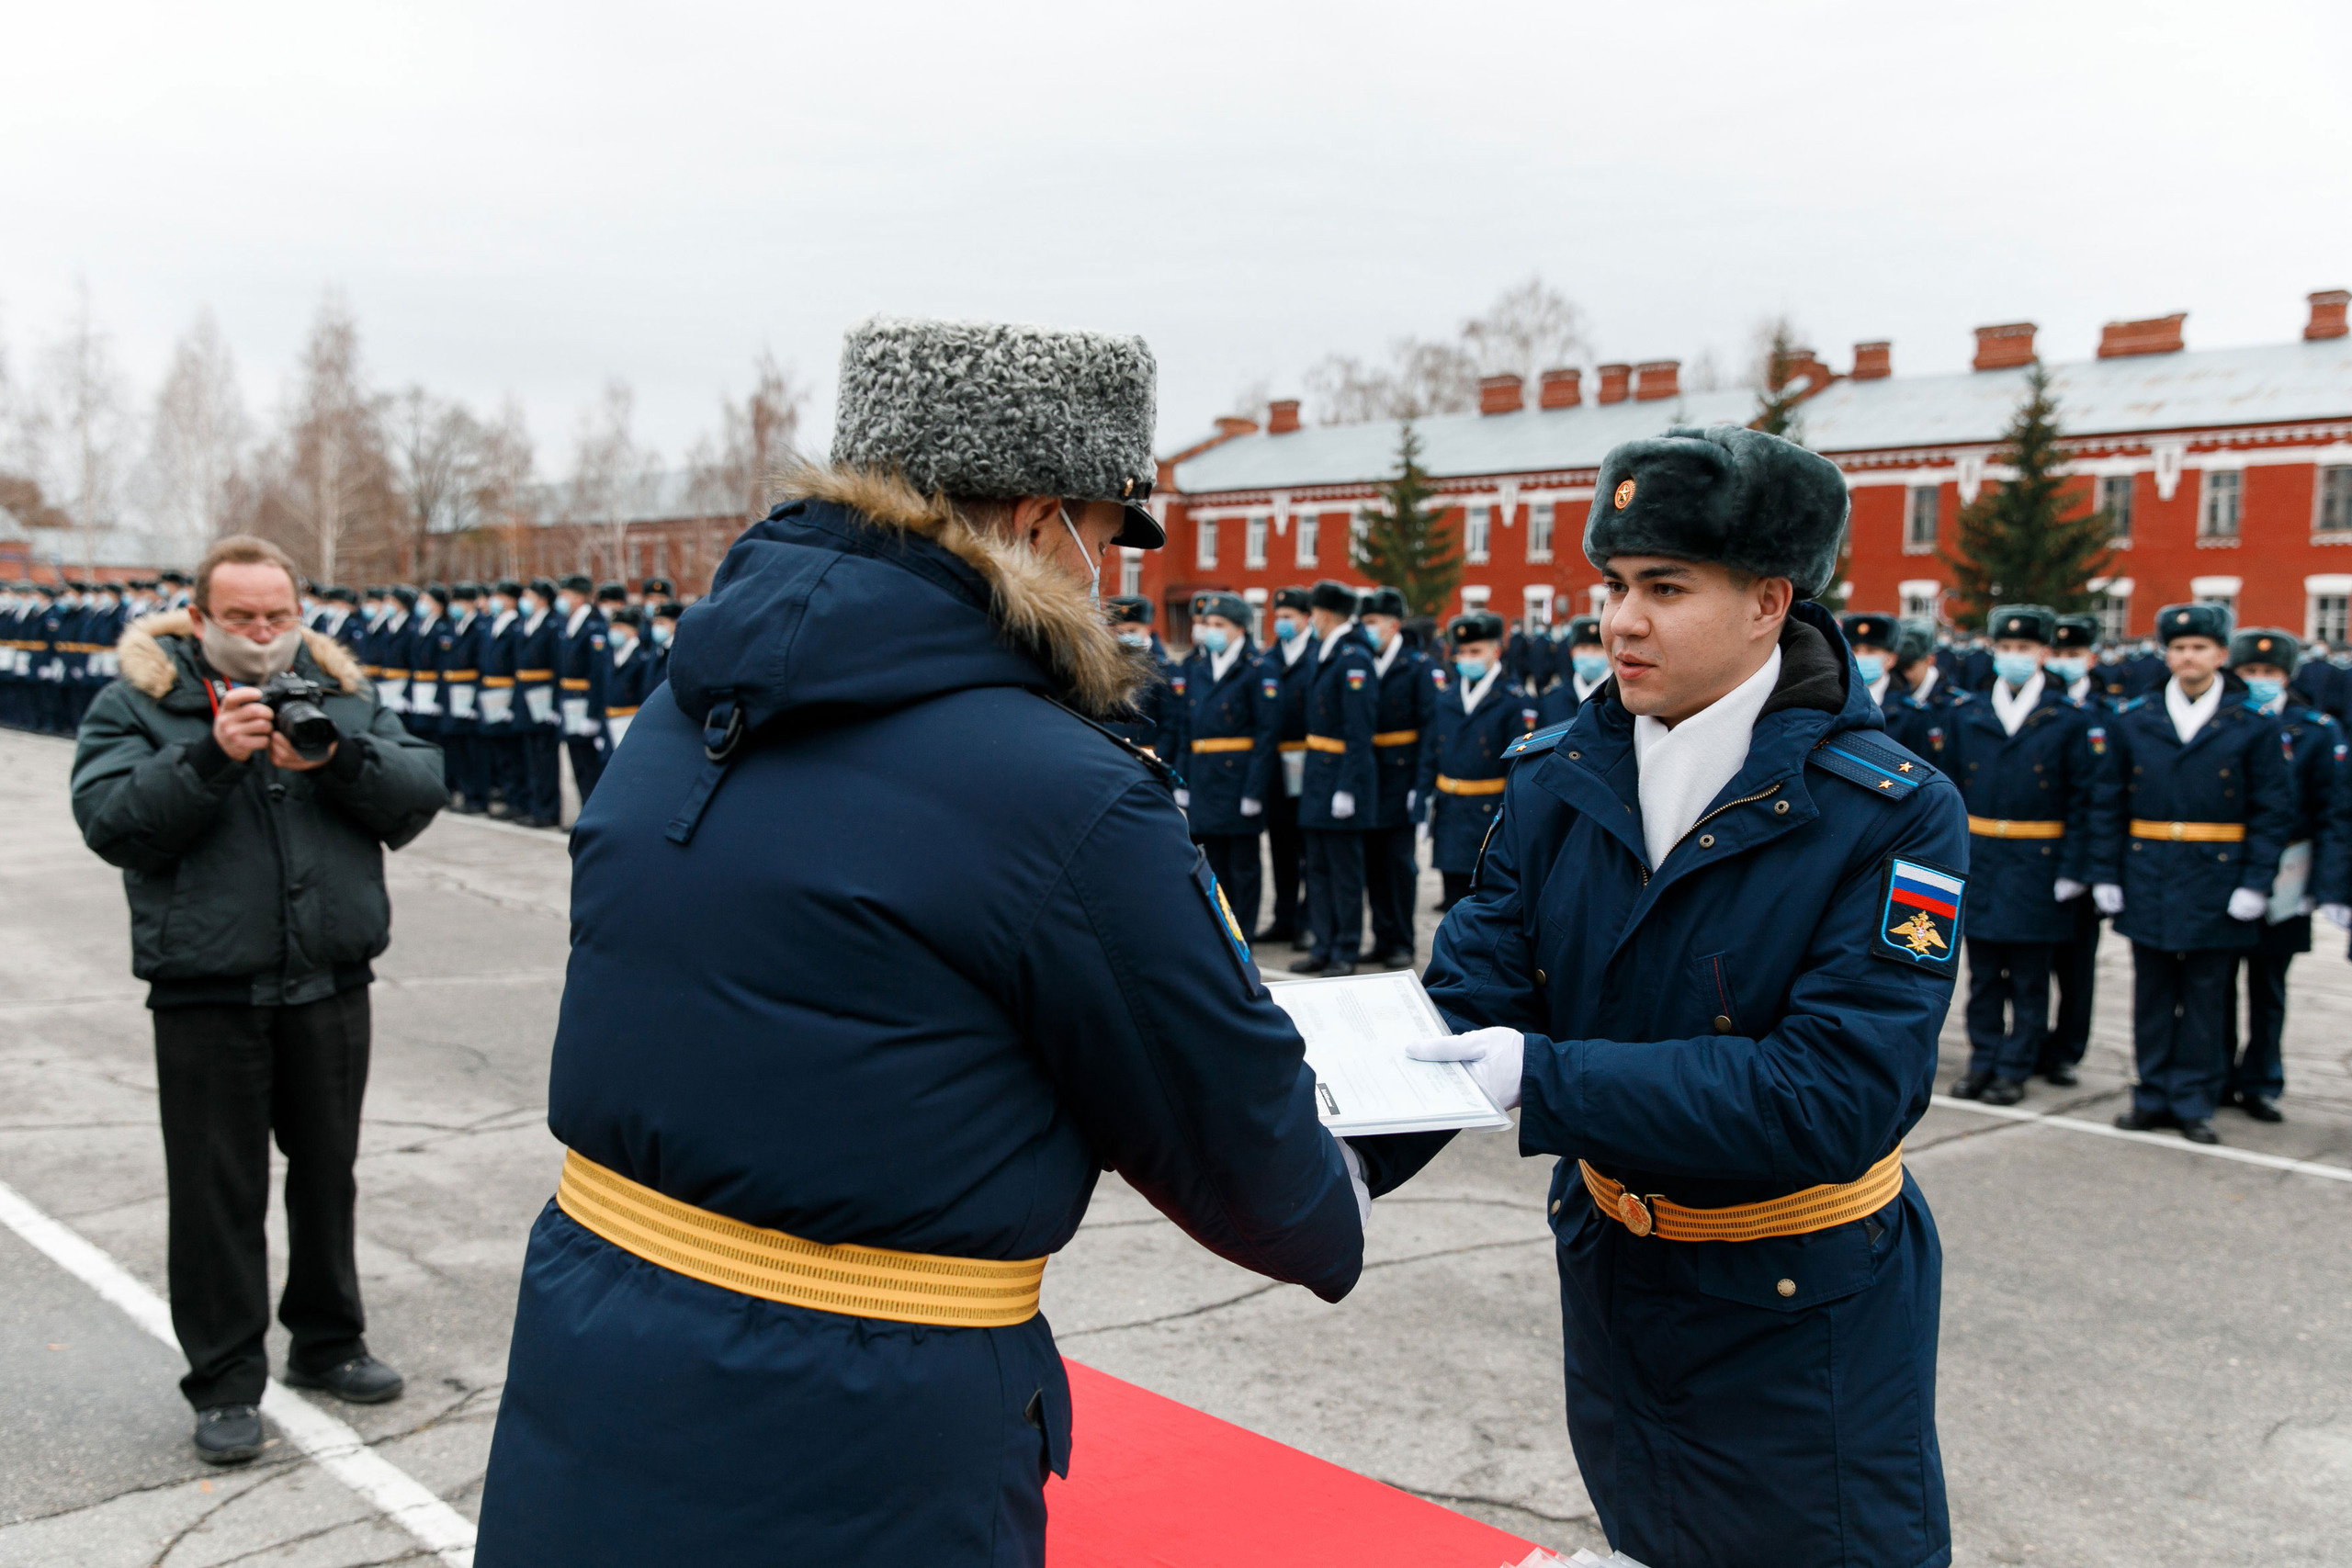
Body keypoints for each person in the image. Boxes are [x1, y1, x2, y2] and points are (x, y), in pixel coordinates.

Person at [475, 315, 1367, 1568]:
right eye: (1109, 534)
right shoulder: (1068, 790)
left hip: (596, 1350)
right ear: (1040, 518)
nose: (1104, 573)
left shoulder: (690, 707)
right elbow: (1243, 1149)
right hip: (856, 1435)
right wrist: (1348, 1183)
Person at [1388, 423, 1966, 1567]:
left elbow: (1836, 1094)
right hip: (1614, 1267)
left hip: (1797, 1305)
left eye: (1664, 587)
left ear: (1767, 601)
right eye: (1611, 584)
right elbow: (1470, 995)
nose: (1620, 621)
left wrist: (1543, 1076)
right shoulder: (1560, 773)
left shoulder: (1890, 810)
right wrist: (1333, 1156)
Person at [69, 536, 447, 1466]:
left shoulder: (343, 692)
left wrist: (341, 759)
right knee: (215, 1197)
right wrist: (208, 758)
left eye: (278, 616)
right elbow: (111, 825)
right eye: (241, 619)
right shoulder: (140, 702)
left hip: (329, 983)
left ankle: (329, 1343)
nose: (263, 634)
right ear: (199, 619)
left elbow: (419, 791)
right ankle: (227, 1383)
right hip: (208, 992)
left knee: (328, 1178)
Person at [2087, 603, 2296, 1145]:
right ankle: (2152, 1093)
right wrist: (2105, 873)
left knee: (2207, 996)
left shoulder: (2251, 725)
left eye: (2200, 647)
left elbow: (2273, 812)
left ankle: (2195, 1099)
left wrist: (2256, 882)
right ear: (2167, 654)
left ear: (2221, 655)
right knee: (2152, 994)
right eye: (2179, 648)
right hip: (2148, 869)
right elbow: (2108, 801)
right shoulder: (2136, 719)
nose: (2188, 657)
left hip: (2218, 878)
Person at [1943, 605, 2093, 1105]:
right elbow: (1947, 791)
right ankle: (1982, 1059)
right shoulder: (1968, 712)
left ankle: (2015, 1066)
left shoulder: (2068, 718)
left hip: (2038, 859)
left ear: (2044, 654)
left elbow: (2083, 798)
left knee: (2030, 977)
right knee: (1983, 974)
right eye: (2005, 648)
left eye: (2024, 649)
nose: (2013, 657)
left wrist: (2074, 868)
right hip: (1982, 854)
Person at [2220, 630, 2350, 1122]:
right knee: (2217, 985)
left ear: (2288, 676)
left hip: (2289, 873)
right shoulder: (2226, 721)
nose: (2259, 681)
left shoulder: (2316, 730)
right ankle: (2217, 1074)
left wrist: (2324, 887)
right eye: (2250, 672)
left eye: (2269, 674)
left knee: (2269, 987)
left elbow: (2333, 813)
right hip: (2228, 868)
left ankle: (2261, 1080)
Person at [1417, 610, 1542, 911]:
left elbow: (1519, 767)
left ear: (1495, 651)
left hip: (1489, 813)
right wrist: (1420, 798)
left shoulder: (1514, 699)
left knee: (1486, 902)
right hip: (1449, 811)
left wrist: (1513, 818)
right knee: (1451, 902)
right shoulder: (1446, 697)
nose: (1468, 658)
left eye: (1476, 651)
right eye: (1462, 652)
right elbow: (1430, 752)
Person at [1178, 591, 1281, 941]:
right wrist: (1182, 777)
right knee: (1211, 862)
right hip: (1205, 778)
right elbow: (1186, 727)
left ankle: (1243, 933)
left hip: (1238, 781)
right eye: (1207, 623)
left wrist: (1254, 790)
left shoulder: (1257, 668)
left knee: (1243, 867)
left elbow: (1266, 735)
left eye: (1219, 624)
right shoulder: (1199, 666)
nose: (1210, 630)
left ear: (1239, 628)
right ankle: (1216, 931)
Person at [1290, 580, 1377, 976]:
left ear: (1324, 614)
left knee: (1344, 872)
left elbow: (1359, 732)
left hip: (1341, 778)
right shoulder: (1326, 652)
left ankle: (1345, 949)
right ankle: (1323, 944)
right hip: (1317, 778)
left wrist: (1347, 787)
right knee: (1318, 868)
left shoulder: (1353, 657)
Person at [1358, 586, 1433, 968]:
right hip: (1370, 778)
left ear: (1393, 625)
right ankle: (1382, 937)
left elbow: (1429, 730)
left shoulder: (1416, 666)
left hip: (1401, 778)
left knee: (1399, 865)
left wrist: (1421, 788)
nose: (1366, 629)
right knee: (1373, 863)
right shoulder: (1363, 661)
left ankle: (1402, 940)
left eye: (1372, 622)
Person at [1257, 585, 1315, 944]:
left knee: (1309, 845)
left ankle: (1308, 921)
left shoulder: (1318, 655)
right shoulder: (1269, 657)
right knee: (1279, 842)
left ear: (1306, 618)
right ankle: (1284, 916)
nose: (1281, 623)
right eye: (1277, 617)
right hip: (1276, 762)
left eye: (1288, 617)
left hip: (1310, 760)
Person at [553, 575, 611, 806]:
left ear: (578, 597)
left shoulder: (593, 626)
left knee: (590, 765)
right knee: (576, 763)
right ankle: (583, 810)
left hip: (585, 702)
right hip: (569, 703)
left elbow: (598, 675)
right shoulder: (568, 623)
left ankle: (593, 813)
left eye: (564, 595)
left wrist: (593, 714)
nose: (560, 600)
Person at [1104, 595, 1184, 760]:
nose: (1125, 636)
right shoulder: (1104, 666)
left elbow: (1172, 725)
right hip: (1110, 757)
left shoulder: (1164, 669)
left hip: (1148, 758)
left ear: (1147, 628)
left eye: (1132, 630)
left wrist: (1156, 760)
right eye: (1119, 631)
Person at [513, 579, 565, 828]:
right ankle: (535, 806)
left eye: (530, 595)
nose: (525, 600)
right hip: (526, 696)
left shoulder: (552, 624)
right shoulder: (527, 622)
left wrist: (555, 704)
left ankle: (548, 810)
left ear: (542, 599)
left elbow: (557, 666)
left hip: (544, 697)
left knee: (545, 757)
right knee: (531, 756)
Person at [440, 582, 487, 812]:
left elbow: (482, 664)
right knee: (456, 747)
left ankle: (476, 797)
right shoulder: (453, 626)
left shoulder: (479, 627)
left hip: (470, 692)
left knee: (474, 750)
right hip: (453, 692)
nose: (455, 606)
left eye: (459, 601)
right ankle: (462, 790)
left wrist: (476, 699)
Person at [600, 605, 654, 751]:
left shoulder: (642, 657)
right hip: (609, 722)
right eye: (613, 627)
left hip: (629, 721)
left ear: (633, 630)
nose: (614, 631)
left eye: (619, 626)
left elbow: (645, 693)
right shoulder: (611, 654)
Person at [1536, 615, 1607, 727]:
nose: (1590, 654)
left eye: (1597, 648)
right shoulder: (1552, 701)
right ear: (1572, 652)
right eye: (1583, 648)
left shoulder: (1622, 701)